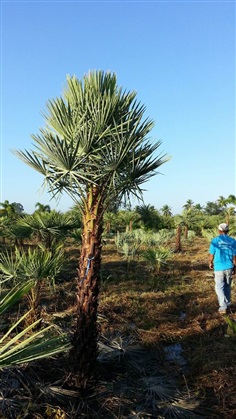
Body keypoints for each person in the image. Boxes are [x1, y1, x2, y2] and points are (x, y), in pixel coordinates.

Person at [209, 223, 236, 314]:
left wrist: (210, 262)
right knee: (227, 286)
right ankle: (228, 303)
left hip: (219, 267)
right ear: (227, 231)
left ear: (219, 231)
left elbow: (211, 254)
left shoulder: (215, 241)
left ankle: (223, 306)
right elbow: (234, 256)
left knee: (219, 287)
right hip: (229, 267)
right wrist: (234, 267)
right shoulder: (232, 241)